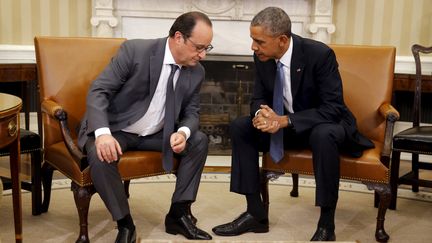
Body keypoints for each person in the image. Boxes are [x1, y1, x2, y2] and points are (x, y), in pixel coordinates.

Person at [212, 6, 374, 241]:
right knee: (241, 126)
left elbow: (333, 108)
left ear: (282, 40)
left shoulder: (319, 54)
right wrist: (261, 115)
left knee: (323, 134)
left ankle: (326, 224)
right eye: (252, 40)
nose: (253, 47)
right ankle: (255, 214)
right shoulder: (263, 57)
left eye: (259, 41)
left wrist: (285, 120)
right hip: (288, 127)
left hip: (325, 124)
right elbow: (258, 97)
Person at [77, 11, 214, 243]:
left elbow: (192, 112)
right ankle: (125, 225)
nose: (202, 55)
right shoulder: (136, 51)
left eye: (207, 48)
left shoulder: (196, 71)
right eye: (199, 47)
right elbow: (99, 90)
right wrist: (102, 134)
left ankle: (178, 214)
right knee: (99, 154)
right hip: (118, 129)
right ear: (178, 37)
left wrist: (183, 132)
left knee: (199, 140)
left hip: (157, 133)